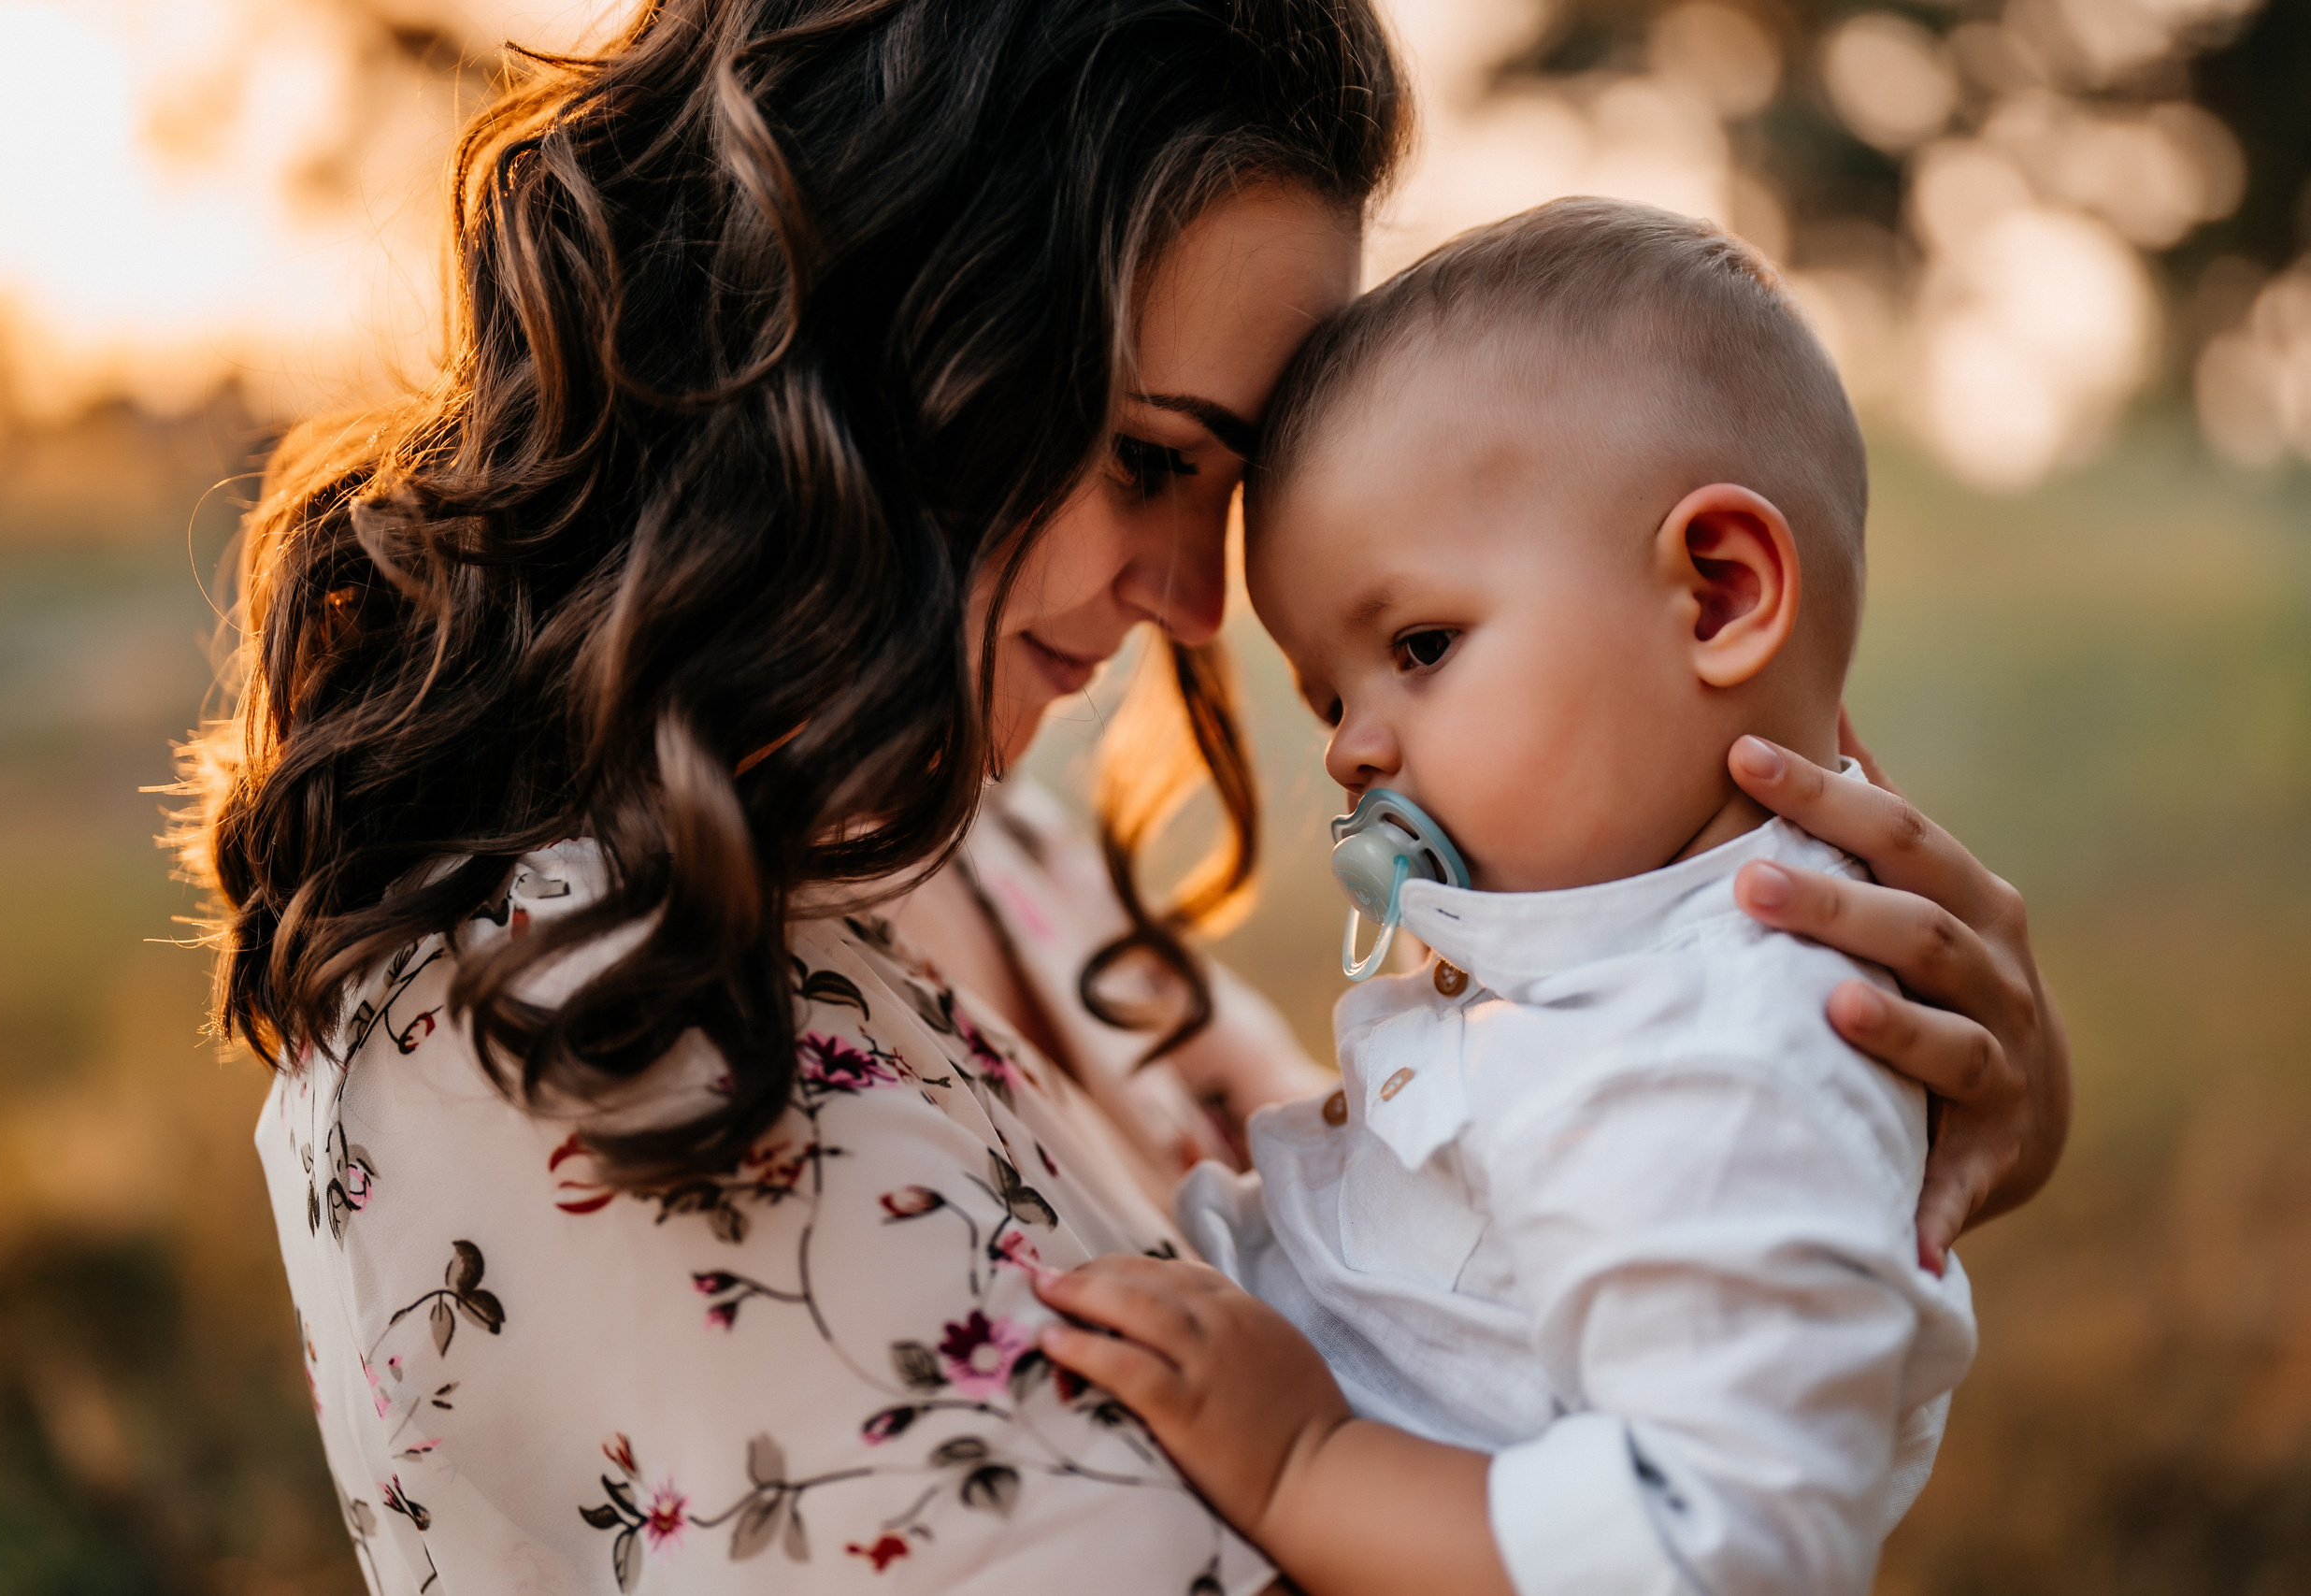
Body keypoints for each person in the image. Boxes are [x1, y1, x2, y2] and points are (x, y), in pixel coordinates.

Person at [176, 5, 2070, 1593]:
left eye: (1218, 498)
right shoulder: (572, 1002)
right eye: (1144, 457)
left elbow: (1506, 1334)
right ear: (870, 333)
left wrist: (1854, 1131)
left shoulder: (997, 852)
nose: (1185, 606)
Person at [1034, 199, 2000, 1596]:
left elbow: (1723, 1548)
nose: (1353, 750)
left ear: (1720, 596)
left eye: (1420, 645)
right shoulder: (1607, 971)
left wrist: (1305, 1462)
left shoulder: (1729, 1057)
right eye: (1327, 695)